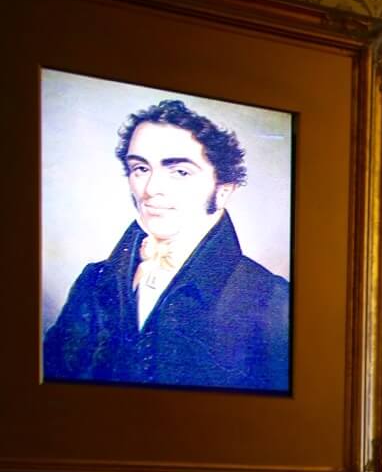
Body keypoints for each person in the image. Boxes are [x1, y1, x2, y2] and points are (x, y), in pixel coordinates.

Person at [43, 98, 290, 392]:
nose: (151, 189)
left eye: (180, 171)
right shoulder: (92, 282)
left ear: (223, 191)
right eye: (140, 168)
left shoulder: (269, 298)